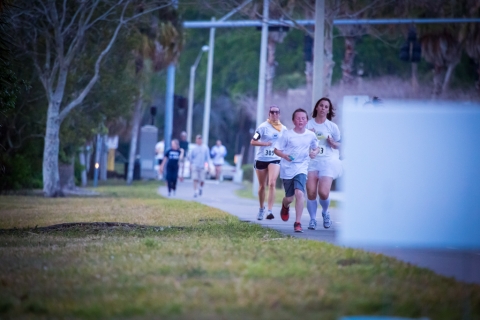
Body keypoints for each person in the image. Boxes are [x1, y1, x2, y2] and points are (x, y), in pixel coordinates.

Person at [273, 108, 319, 233]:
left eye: (303, 118)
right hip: (287, 169)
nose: (301, 120)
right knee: (289, 198)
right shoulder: (287, 135)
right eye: (298, 118)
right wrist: (285, 156)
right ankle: (285, 205)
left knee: (300, 193)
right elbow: (276, 150)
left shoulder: (311, 135)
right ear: (293, 120)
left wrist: (314, 152)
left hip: (302, 167)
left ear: (307, 121)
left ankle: (297, 223)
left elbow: (316, 147)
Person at [305, 97, 342, 230]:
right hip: (311, 162)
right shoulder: (308, 125)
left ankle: (325, 212)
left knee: (323, 193)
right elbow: (299, 142)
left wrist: (333, 143)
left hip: (327, 162)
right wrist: (308, 136)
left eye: (326, 107)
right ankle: (313, 219)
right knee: (311, 192)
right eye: (321, 105)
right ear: (316, 107)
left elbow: (339, 144)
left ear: (329, 110)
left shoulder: (332, 127)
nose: (323, 108)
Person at [250, 105, 287, 220]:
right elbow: (253, 141)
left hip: (275, 158)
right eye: (272, 112)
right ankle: (262, 208)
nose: (274, 114)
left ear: (279, 114)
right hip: (261, 158)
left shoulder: (283, 129)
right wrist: (265, 144)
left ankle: (270, 211)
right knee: (262, 186)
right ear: (269, 114)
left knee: (272, 183)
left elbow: (287, 143)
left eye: (277, 112)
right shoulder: (262, 127)